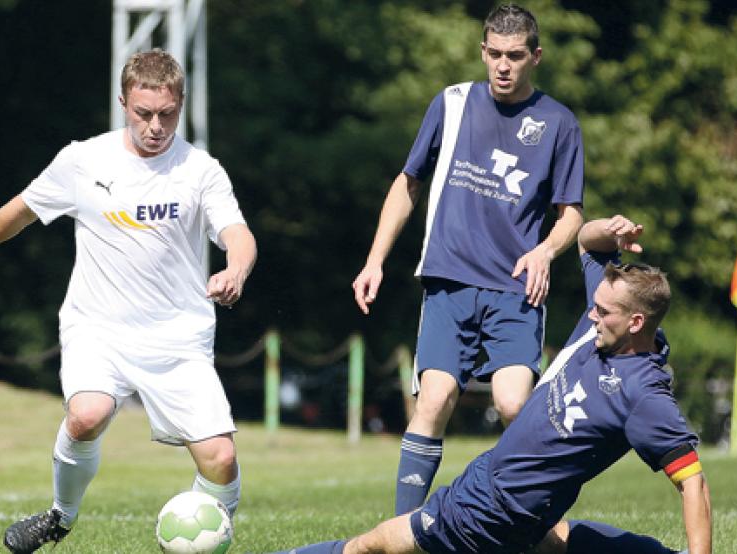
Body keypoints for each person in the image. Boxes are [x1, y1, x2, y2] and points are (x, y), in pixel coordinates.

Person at [0, 49, 257, 553]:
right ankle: (60, 518)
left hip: (178, 337)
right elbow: (22, 210)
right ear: (123, 104)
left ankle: (204, 538)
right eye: (143, 113)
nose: (156, 126)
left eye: (167, 114)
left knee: (220, 459)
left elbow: (237, 233)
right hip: (98, 328)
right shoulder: (83, 161)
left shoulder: (200, 169)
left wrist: (235, 269)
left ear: (181, 105)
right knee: (86, 415)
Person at [284, 215, 712, 554]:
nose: (592, 315)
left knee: (374, 545)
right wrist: (610, 230)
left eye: (604, 311)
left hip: (493, 510)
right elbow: (585, 240)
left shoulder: (645, 394)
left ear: (636, 322)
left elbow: (692, 480)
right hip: (500, 489)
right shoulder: (601, 325)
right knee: (553, 541)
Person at [351, 3, 585, 515]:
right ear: (482, 51)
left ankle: (527, 522)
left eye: (516, 55)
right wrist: (375, 261)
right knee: (432, 401)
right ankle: (404, 532)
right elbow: (407, 183)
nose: (503, 65)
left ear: (536, 57)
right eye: (495, 54)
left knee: (514, 405)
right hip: (448, 280)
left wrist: (545, 251)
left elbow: (571, 214)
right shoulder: (452, 103)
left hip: (515, 289)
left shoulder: (559, 123)